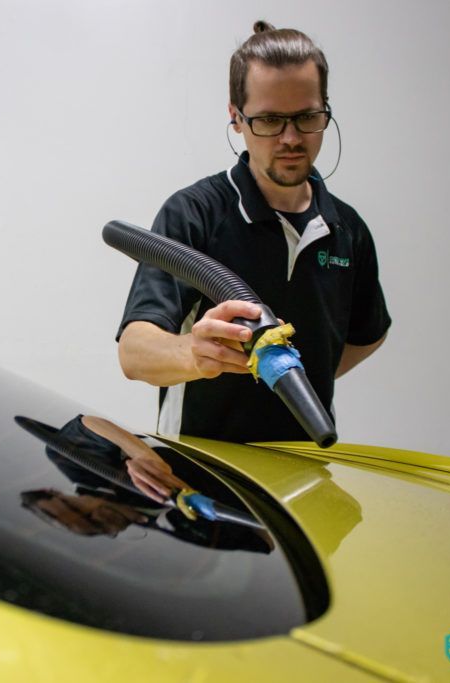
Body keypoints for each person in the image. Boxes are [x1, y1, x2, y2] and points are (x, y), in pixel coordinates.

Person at [116, 20, 391, 443]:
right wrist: (193, 354)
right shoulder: (194, 213)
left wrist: (292, 376)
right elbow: (134, 353)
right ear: (236, 118)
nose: (290, 138)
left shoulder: (347, 229)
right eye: (269, 120)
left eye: (307, 117)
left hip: (310, 459)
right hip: (201, 468)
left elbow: (367, 334)